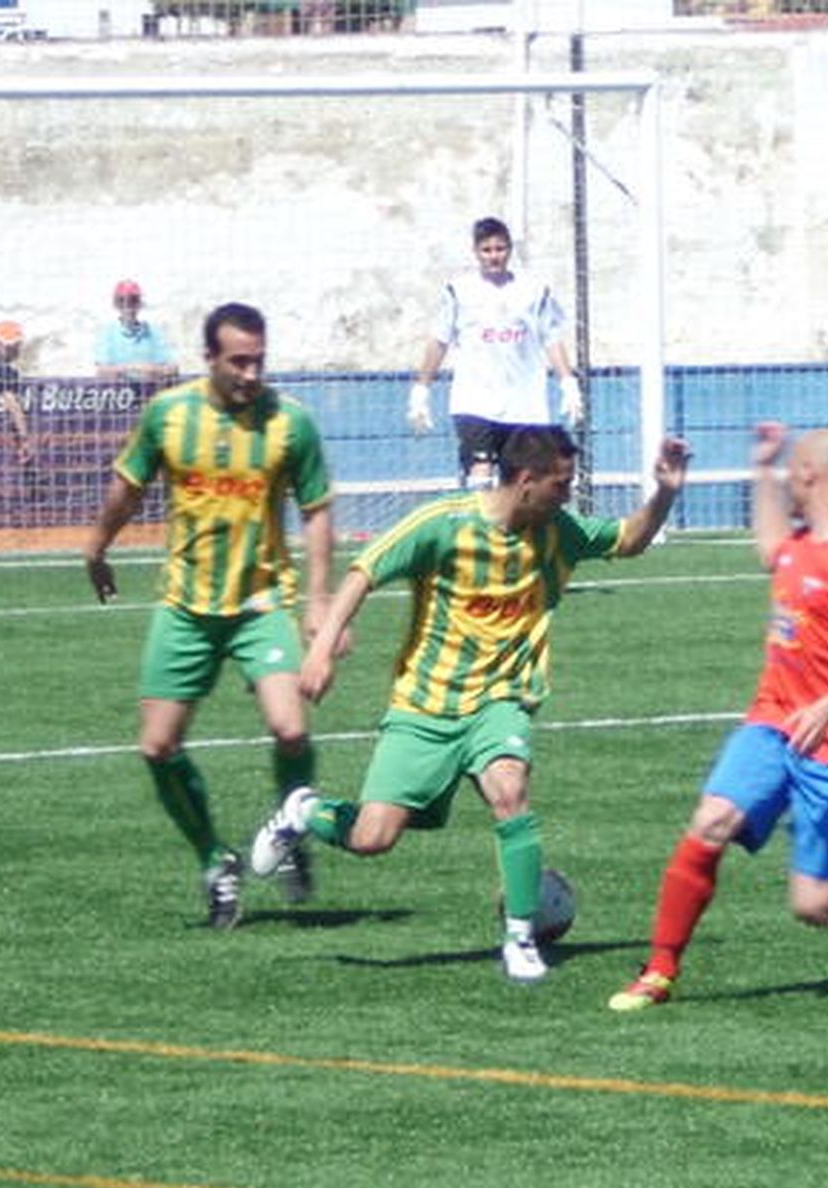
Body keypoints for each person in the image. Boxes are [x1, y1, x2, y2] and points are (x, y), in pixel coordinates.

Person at [250, 426, 690, 984]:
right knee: (373, 837)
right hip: (426, 706)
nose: (568, 494)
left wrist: (667, 492)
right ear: (526, 481)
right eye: (561, 483)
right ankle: (304, 812)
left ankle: (520, 938)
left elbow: (629, 539)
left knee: (511, 789)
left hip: (501, 701)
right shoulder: (445, 523)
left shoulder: (559, 529)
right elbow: (367, 569)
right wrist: (320, 650)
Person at [608, 423, 828, 1013]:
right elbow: (768, 547)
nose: (787, 481)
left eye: (789, 471)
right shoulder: (799, 547)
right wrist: (760, 467)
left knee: (815, 909)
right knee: (711, 821)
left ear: (810, 474)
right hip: (772, 722)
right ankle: (659, 970)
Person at [84, 302, 334, 930]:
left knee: (291, 729)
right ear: (209, 359)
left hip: (259, 602)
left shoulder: (290, 424)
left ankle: (289, 829)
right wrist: (97, 546)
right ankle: (215, 859)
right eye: (238, 361)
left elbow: (318, 510)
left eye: (259, 360)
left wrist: (319, 603)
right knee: (157, 745)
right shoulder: (169, 415)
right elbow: (129, 485)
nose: (251, 373)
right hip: (186, 604)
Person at [406, 217, 584, 488]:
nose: (494, 256)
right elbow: (439, 340)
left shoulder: (534, 291)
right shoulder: (459, 291)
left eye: (500, 249)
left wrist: (568, 383)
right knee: (481, 473)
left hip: (524, 404)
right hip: (475, 401)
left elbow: (551, 338)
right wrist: (421, 389)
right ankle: (478, 529)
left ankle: (519, 530)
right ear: (476, 252)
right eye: (487, 250)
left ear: (510, 250)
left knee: (524, 480)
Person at [94, 279, 178, 385]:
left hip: (150, 394)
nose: (128, 306)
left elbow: (173, 368)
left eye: (133, 300)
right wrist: (134, 368)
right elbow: (102, 372)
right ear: (116, 304)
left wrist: (152, 371)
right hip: (120, 397)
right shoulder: (107, 334)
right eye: (122, 300)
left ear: (139, 303)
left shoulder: (153, 332)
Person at [0, 319, 35, 464]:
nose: (13, 349)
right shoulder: (0, 370)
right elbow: (12, 405)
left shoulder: (12, 368)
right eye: (9, 345)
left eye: (16, 344)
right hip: (8, 438)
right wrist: (24, 438)